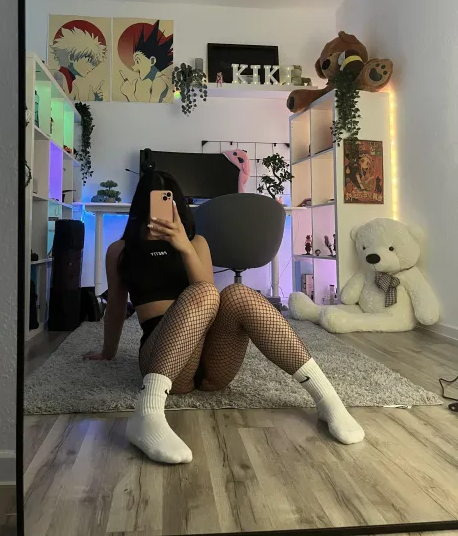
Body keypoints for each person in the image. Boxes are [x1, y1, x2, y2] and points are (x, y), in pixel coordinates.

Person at [84, 171, 364, 464]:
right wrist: (107, 352)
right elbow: (116, 306)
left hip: (213, 362)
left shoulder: (196, 243)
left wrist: (183, 246)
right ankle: (148, 413)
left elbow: (209, 300)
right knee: (205, 292)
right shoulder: (120, 251)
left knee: (236, 294)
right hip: (163, 358)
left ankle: (327, 399)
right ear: (142, 208)